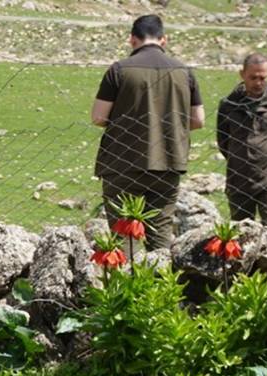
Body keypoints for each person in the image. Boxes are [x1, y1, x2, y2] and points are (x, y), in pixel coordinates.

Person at [91, 14, 204, 250]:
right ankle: (160, 283)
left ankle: (121, 283)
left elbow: (98, 117)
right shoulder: (184, 72)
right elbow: (198, 120)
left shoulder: (119, 70)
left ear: (132, 39)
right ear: (164, 39)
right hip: (168, 161)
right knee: (160, 234)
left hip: (123, 162)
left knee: (121, 236)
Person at [216, 53, 267, 225]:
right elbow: (223, 142)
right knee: (241, 235)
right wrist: (241, 158)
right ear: (242, 74)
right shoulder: (228, 105)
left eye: (262, 77)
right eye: (253, 78)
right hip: (238, 181)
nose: (258, 82)